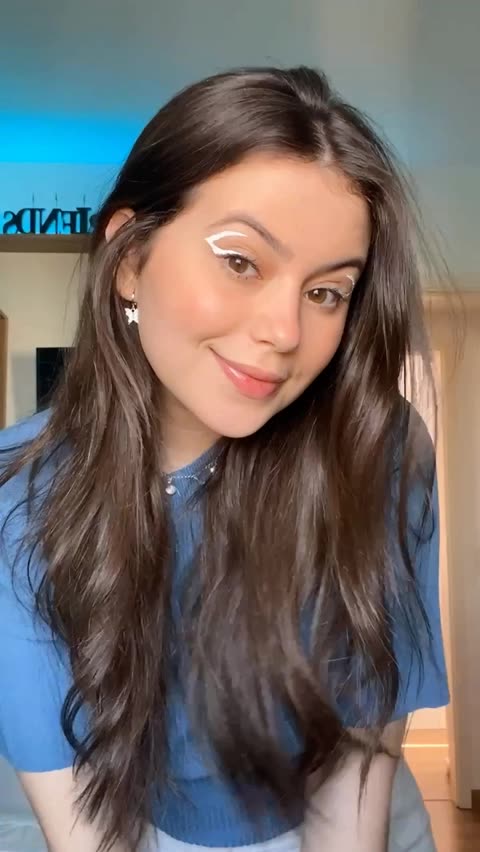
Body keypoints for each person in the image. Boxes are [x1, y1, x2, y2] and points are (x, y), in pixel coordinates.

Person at [0, 66, 448, 852]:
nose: (285, 331)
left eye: (327, 292)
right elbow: (86, 828)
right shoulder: (18, 497)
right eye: (241, 261)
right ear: (130, 259)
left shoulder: (375, 448)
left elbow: (356, 764)